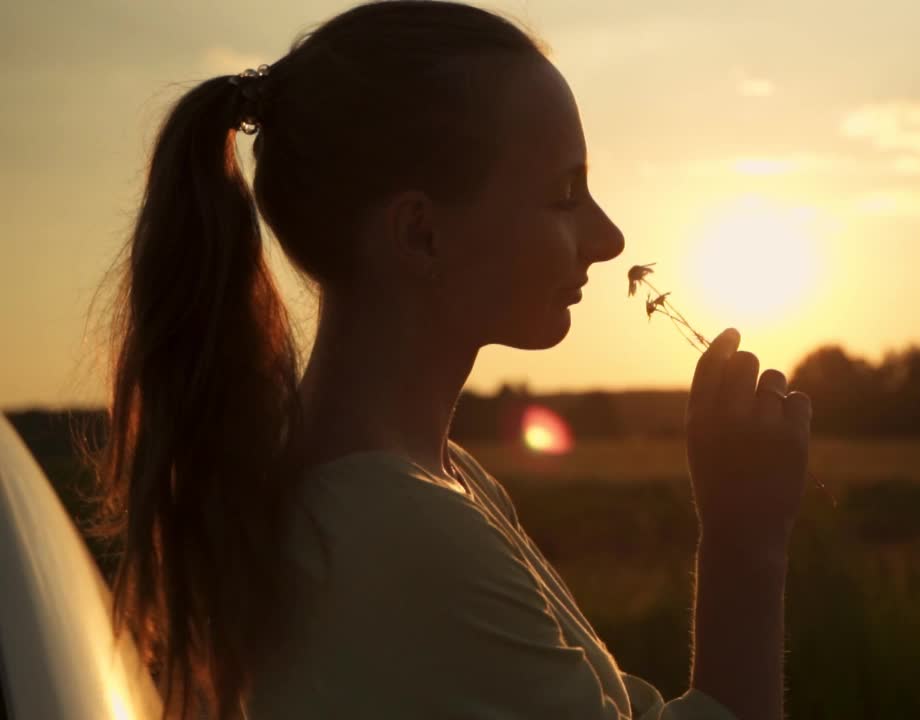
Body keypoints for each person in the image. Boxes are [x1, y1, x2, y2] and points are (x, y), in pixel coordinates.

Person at [90, 2, 813, 718]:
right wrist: (745, 539)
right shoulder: (399, 533)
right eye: (565, 194)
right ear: (421, 234)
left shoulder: (440, 483)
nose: (609, 238)